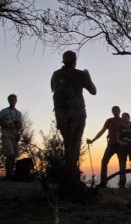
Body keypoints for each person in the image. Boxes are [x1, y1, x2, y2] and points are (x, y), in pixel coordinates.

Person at [51, 50, 96, 190]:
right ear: (75, 61)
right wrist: (88, 76)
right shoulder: (80, 74)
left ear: (63, 61)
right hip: (77, 113)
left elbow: (54, 92)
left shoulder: (56, 74)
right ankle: (72, 177)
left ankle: (68, 176)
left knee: (67, 145)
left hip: (62, 116)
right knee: (75, 144)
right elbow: (93, 91)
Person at [87, 106, 123, 187]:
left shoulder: (123, 120)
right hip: (111, 145)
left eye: (116, 110)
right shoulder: (109, 121)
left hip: (121, 146)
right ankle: (103, 183)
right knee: (104, 161)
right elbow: (102, 131)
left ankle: (122, 184)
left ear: (119, 111)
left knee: (122, 163)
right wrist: (92, 140)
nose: (115, 112)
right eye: (113, 111)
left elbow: (130, 130)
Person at [0, 94, 23, 180]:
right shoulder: (4, 111)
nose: (13, 101)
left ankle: (11, 174)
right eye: (11, 100)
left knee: (14, 156)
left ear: (16, 101)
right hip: (6, 135)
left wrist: (18, 132)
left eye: (14, 100)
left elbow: (20, 126)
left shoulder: (18, 113)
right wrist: (7, 124)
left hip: (14, 135)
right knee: (9, 154)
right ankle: (8, 174)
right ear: (8, 101)